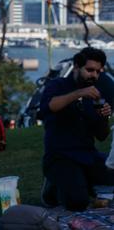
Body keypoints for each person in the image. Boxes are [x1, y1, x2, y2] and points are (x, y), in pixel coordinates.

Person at [39, 47, 114, 211]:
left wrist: (104, 116)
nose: (94, 75)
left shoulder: (96, 94)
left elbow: (102, 136)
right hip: (59, 156)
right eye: (89, 70)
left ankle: (84, 184)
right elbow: (49, 106)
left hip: (88, 156)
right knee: (77, 202)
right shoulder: (58, 85)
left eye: (98, 71)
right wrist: (79, 93)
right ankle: (52, 189)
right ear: (76, 66)